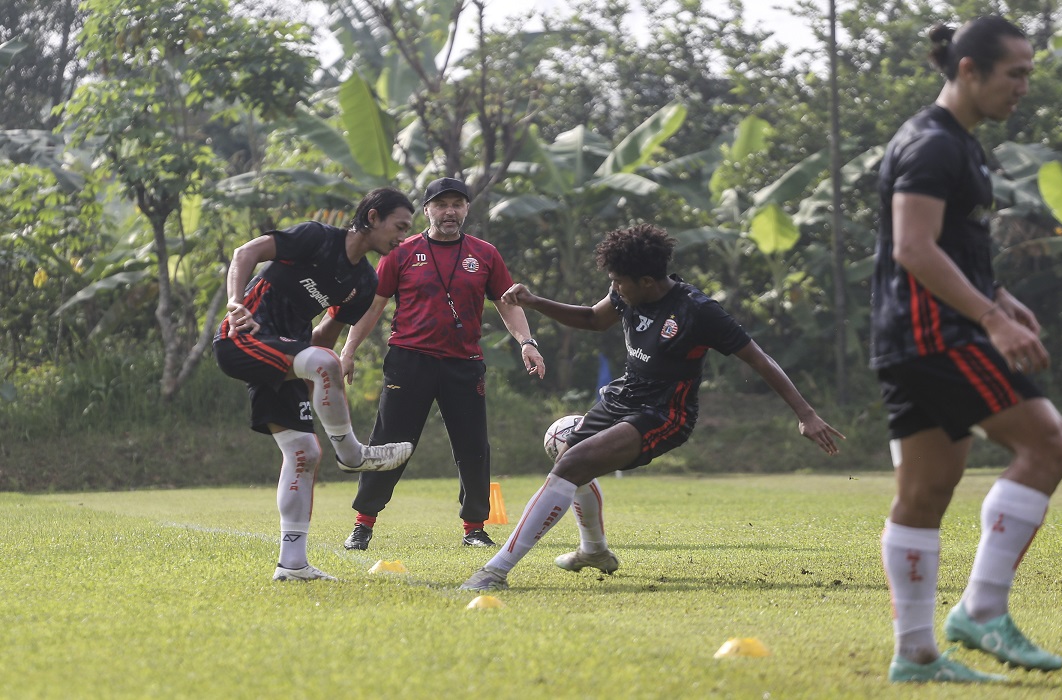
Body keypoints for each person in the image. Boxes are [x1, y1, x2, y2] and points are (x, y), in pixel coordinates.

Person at [460, 223, 844, 591]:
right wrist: (532, 301)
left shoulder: (698, 311)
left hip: (664, 415)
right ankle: (593, 551)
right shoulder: (627, 291)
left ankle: (495, 571)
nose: (614, 288)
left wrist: (806, 414)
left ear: (646, 282)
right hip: (623, 397)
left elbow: (759, 359)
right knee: (568, 454)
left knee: (571, 464)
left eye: (618, 282)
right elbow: (594, 319)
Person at [870, 16, 1062, 684]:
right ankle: (983, 609)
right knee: (1048, 444)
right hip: (936, 335)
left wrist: (1000, 293)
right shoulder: (933, 144)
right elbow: (913, 246)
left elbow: (947, 244)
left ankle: (916, 653)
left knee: (926, 490)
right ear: (968, 70)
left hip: (910, 335)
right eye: (1014, 73)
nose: (1023, 87)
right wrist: (993, 319)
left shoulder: (958, 144)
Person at [213, 187, 418, 582]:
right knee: (327, 364)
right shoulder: (316, 237)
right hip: (244, 337)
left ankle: (291, 565)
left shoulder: (363, 283)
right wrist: (235, 303)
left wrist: (314, 387)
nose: (403, 237)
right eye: (400, 226)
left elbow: (322, 339)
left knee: (305, 451)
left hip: (288, 353)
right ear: (373, 217)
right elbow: (245, 254)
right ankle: (354, 455)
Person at [339, 177, 546, 550]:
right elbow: (374, 306)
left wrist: (527, 343)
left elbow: (506, 303)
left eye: (457, 204)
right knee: (389, 443)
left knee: (473, 446)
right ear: (427, 210)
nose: (449, 211)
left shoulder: (485, 254)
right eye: (441, 204)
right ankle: (363, 524)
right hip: (409, 361)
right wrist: (348, 350)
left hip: (463, 365)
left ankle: (474, 529)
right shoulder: (401, 252)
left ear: (466, 209)